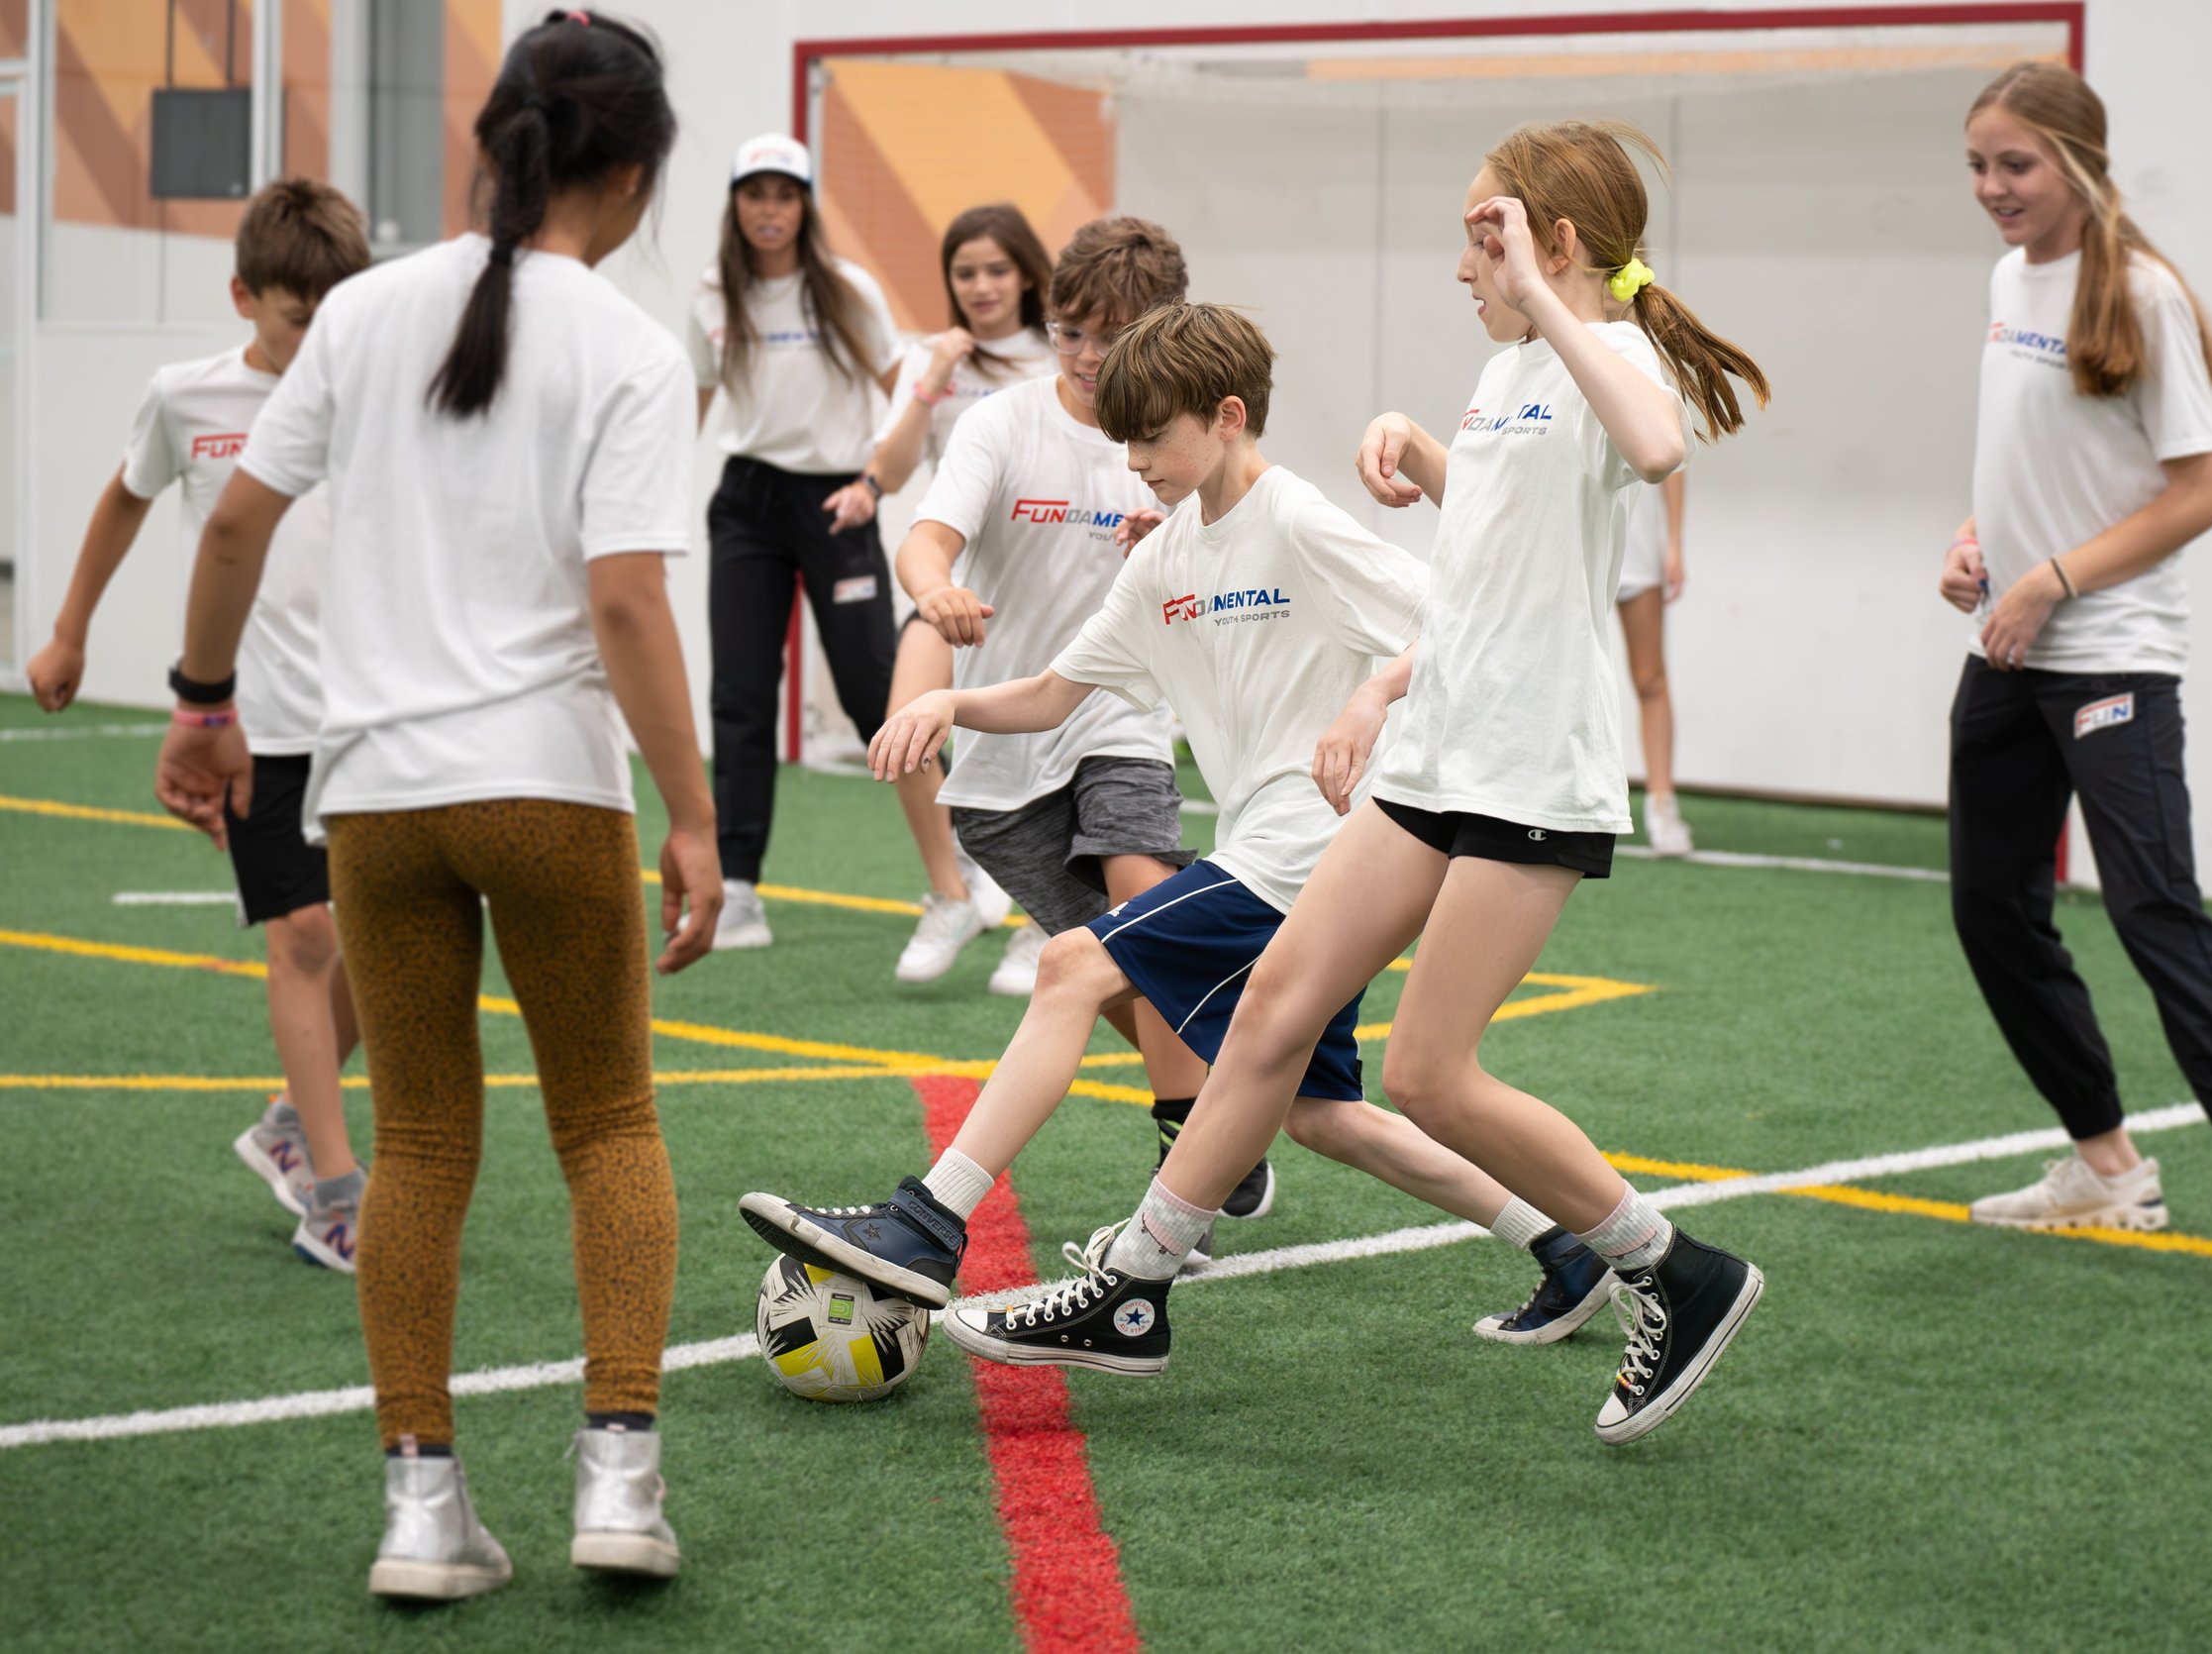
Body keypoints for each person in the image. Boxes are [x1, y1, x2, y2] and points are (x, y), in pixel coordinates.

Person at [887, 121, 1772, 1448]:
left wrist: (1538, 300)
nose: (1466, 266)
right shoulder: (1509, 370)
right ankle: (1134, 1288)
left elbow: (1651, 447)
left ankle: (1673, 1266)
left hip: (1531, 758)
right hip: (1436, 749)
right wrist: (1423, 455)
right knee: (1273, 1014)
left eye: (1486, 234)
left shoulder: (1608, 353)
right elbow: (1496, 532)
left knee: (1427, 1073)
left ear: (1558, 244)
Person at [737, 302, 1614, 1345]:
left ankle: (928, 1222)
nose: (1136, 461)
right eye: (1126, 440)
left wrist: (1369, 697)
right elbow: (1055, 692)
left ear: (1228, 415)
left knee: (1071, 966)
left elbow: (1462, 617)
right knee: (1315, 1110)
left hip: (1313, 844)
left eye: (1152, 437)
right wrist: (948, 703)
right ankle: (1566, 1247)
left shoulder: (1292, 518)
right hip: (1267, 843)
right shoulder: (1159, 559)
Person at [152, 10, 718, 1598]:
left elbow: (236, 525)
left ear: (498, 143)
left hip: (375, 799)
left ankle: (421, 1508)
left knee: (416, 1140)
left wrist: (202, 708)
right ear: (638, 170)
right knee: (606, 1121)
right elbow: (623, 605)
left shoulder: (363, 312)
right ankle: (620, 1481)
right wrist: (692, 813)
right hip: (544, 784)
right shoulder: (626, 347)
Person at [1943, 61, 2212, 1315]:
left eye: (2015, 164)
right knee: (1990, 912)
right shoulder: (2010, 281)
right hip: (2010, 652)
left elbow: (2197, 492)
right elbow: (2035, 457)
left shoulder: (2143, 294)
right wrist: (1980, 542)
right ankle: (2107, 1165)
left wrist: (2051, 576)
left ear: (2075, 163)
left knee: (2155, 912)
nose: (1993, 189)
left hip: (2111, 653)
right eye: (1976, 166)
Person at [881, 216, 1271, 1215]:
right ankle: (1220, 1113)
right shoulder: (1002, 424)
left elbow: (1245, 572)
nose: (1091, 358)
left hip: (1121, 722)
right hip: (1006, 754)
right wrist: (934, 593)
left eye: (1115, 335)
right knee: (1111, 971)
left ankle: (1188, 1163)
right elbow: (926, 540)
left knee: (1143, 907)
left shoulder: (1185, 440)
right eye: (1070, 334)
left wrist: (1177, 546)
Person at [28, 178, 371, 1272]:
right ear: (243, 296)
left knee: (378, 937)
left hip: (369, 716)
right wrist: (70, 631)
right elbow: (125, 498)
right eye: (296, 314)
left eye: (336, 311)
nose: (318, 334)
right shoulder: (187, 397)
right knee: (305, 936)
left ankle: (282, 1124)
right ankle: (332, 1185)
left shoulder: (373, 392)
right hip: (254, 722)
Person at [689, 133, 971, 952]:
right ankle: (738, 886)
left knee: (873, 691)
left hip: (836, 502)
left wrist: (879, 483)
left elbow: (903, 392)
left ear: (804, 205)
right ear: (737, 205)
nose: (768, 210)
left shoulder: (845, 290)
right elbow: (703, 405)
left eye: (784, 195)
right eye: (754, 194)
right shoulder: (711, 293)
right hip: (744, 502)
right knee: (740, 693)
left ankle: (969, 855)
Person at [857, 203, 1056, 988]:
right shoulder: (931, 360)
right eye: (964, 272)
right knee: (903, 726)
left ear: (1028, 274)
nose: (980, 286)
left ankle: (1044, 919)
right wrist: (932, 382)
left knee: (1045, 749)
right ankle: (952, 892)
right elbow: (895, 473)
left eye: (996, 270)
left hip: (1042, 590)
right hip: (947, 586)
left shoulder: (1057, 353)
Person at [1618, 473, 1693, 855]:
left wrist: (1674, 543)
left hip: (1637, 543)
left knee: (1650, 679)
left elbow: (1674, 462)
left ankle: (1662, 804)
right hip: (1574, 541)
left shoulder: (1662, 407)